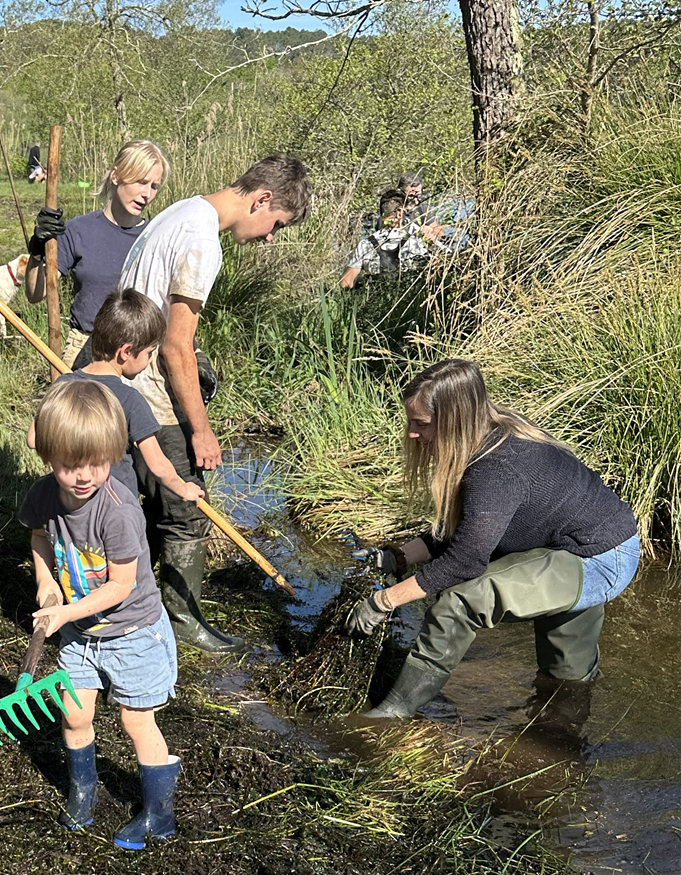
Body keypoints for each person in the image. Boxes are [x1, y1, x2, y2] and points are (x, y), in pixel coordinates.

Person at [345, 359, 641, 718]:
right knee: (565, 678)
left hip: (599, 557)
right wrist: (400, 558)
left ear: (454, 421)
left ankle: (391, 715)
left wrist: (383, 602)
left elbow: (465, 562)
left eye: (421, 424)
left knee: (458, 602)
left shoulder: (496, 468)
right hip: (572, 544)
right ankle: (559, 738)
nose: (411, 433)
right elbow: (468, 533)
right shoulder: (486, 435)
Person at [120, 155, 312, 654]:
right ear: (262, 199)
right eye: (276, 224)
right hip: (147, 388)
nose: (270, 237)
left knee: (145, 500)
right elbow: (175, 346)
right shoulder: (203, 240)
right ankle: (181, 622)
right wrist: (201, 430)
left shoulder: (183, 210)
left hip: (122, 371)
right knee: (186, 506)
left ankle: (135, 603)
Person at [18, 378, 180, 847]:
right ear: (49, 456)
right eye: (71, 465)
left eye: (98, 462)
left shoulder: (118, 511)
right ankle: (83, 790)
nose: (85, 475)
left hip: (134, 632)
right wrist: (46, 581)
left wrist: (65, 613)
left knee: (135, 721)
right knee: (73, 712)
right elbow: (39, 537)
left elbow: (121, 585)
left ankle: (159, 813)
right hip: (82, 633)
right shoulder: (43, 496)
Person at [27, 287, 206, 509]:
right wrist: (184, 488)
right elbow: (158, 465)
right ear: (126, 352)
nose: (148, 360)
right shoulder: (130, 400)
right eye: (149, 353)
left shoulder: (63, 384)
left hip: (70, 505)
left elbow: (33, 440)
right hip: (117, 508)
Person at [25, 140, 169, 370]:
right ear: (116, 176)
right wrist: (36, 251)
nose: (147, 194)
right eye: (141, 182)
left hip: (139, 355)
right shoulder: (78, 230)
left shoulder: (156, 236)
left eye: (154, 186)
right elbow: (35, 294)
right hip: (86, 350)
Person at [340, 172, 442, 288]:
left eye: (418, 195)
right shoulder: (416, 241)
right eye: (411, 196)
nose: (416, 200)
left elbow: (345, 283)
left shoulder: (364, 244)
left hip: (379, 289)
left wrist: (431, 231)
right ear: (400, 213)